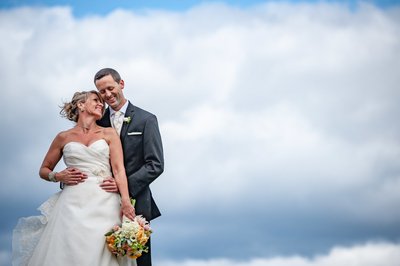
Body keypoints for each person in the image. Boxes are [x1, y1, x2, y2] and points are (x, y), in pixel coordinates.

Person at [12, 91, 136, 266]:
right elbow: (44, 169)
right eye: (96, 100)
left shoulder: (109, 134)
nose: (101, 104)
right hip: (71, 204)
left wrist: (125, 201)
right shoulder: (63, 137)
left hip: (105, 200)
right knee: (69, 249)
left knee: (102, 250)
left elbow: (118, 169)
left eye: (102, 102)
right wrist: (57, 175)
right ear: (81, 105)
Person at [94, 68, 164, 266]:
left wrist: (122, 185)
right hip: (99, 202)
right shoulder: (97, 122)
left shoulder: (146, 119)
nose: (107, 95)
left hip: (136, 203)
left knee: (138, 261)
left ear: (121, 84)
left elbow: (155, 165)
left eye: (110, 88)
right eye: (102, 91)